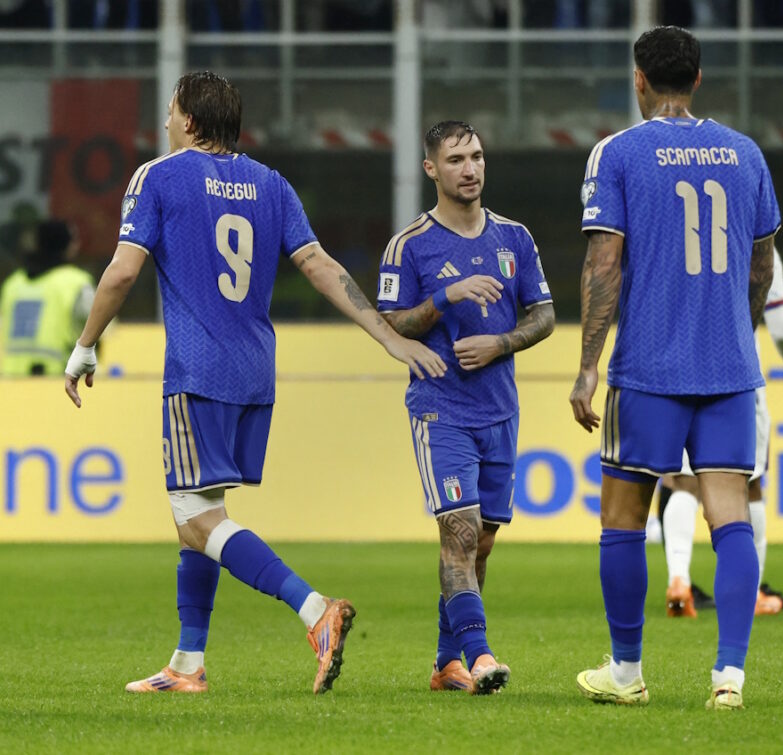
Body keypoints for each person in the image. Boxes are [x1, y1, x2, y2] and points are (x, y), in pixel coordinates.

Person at [63, 71, 446, 695]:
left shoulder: (158, 176)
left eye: (171, 112)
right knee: (202, 516)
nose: (166, 122)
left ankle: (314, 609)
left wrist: (84, 347)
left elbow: (122, 272)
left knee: (194, 517)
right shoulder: (272, 183)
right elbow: (318, 265)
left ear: (189, 121)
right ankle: (187, 664)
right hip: (255, 370)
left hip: (197, 368)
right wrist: (387, 336)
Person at [569, 26, 779, 710]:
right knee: (732, 516)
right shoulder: (746, 153)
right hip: (729, 367)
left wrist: (588, 366)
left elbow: (604, 263)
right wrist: (740, 332)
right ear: (697, 78)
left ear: (639, 79)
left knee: (623, 517)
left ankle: (627, 673)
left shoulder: (618, 153)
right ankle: (730, 677)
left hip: (649, 367)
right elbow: (762, 266)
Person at [377, 121, 555, 695]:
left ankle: (445, 663)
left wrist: (501, 343)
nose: (470, 168)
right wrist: (444, 296)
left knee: (481, 543)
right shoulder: (409, 245)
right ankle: (480, 658)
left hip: (500, 409)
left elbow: (544, 315)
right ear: (431, 169)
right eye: (455, 160)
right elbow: (392, 323)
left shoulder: (514, 238)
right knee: (459, 531)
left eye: (476, 156)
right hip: (440, 409)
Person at [662, 246, 783, 619]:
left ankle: (678, 579)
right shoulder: (758, 242)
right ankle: (750, 592)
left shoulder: (678, 237)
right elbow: (780, 326)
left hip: (680, 371)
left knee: (684, 483)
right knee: (748, 484)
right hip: (738, 375)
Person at [1, 220, 95, 376]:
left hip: (11, 379)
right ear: (67, 246)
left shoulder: (13, 284)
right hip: (57, 379)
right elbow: (103, 328)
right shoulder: (75, 282)